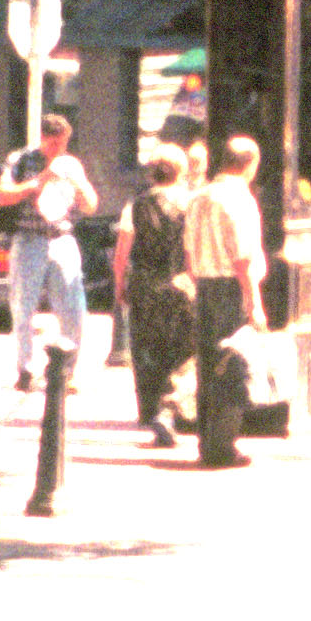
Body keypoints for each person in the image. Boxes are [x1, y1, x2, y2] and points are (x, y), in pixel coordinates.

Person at [184, 131, 267, 463]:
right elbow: (242, 256)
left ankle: (207, 442)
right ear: (250, 164)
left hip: (204, 286)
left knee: (207, 366)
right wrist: (254, 302)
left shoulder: (200, 196)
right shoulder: (239, 198)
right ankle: (223, 446)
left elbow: (188, 252)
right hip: (231, 288)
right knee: (231, 364)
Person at [0, 112, 98, 387]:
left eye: (63, 143)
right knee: (23, 307)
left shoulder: (71, 164)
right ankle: (26, 370)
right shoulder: (20, 160)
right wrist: (41, 179)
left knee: (73, 308)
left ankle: (67, 372)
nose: (58, 149)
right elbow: (3, 195)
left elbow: (91, 206)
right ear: (42, 138)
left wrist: (78, 183)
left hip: (62, 238)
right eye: (53, 143)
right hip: (29, 240)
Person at [116, 143, 194, 447]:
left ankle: (150, 411)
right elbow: (190, 249)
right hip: (178, 283)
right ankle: (170, 409)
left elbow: (122, 251)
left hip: (144, 284)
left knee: (146, 349)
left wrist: (120, 284)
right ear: (181, 170)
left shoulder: (135, 205)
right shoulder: (190, 203)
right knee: (182, 350)